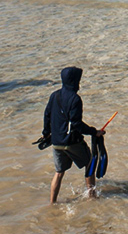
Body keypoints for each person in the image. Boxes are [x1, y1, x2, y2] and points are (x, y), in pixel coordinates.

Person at [42, 67, 103, 204]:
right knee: (89, 164)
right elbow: (76, 124)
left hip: (56, 142)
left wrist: (46, 134)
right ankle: (92, 198)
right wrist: (95, 132)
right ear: (75, 81)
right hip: (71, 142)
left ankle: (52, 203)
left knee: (59, 173)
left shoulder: (54, 95)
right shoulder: (75, 99)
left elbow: (47, 115)